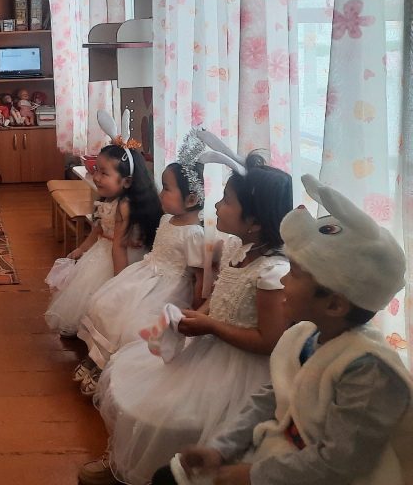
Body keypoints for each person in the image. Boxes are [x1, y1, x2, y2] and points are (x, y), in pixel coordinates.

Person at [154, 174, 411, 485]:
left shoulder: (369, 372)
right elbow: (270, 398)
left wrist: (251, 475)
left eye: (296, 274)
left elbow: (340, 464)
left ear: (334, 304)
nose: (284, 280)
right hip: (281, 457)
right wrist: (220, 449)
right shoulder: (302, 336)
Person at [82, 147, 293, 485]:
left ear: (254, 221)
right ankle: (130, 460)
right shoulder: (239, 248)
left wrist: (211, 325)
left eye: (226, 201)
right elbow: (221, 293)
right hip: (212, 343)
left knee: (176, 412)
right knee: (145, 388)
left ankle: (166, 470)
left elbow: (269, 341)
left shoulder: (272, 272)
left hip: (238, 366)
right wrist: (198, 313)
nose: (217, 206)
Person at [74, 130, 208, 395]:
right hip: (145, 274)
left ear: (191, 199)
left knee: (130, 325)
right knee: (106, 305)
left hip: (168, 288)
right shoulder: (166, 219)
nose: (161, 193)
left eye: (167, 189)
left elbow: (199, 276)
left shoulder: (195, 235)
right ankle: (97, 358)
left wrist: (196, 307)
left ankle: (109, 367)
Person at [44, 114, 162, 339]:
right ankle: (88, 329)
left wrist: (119, 282)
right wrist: (82, 249)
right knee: (86, 295)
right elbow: (97, 230)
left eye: (104, 173)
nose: (96, 177)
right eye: (96, 170)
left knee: (107, 298)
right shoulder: (108, 200)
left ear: (126, 181)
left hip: (120, 260)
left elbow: (119, 247)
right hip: (101, 252)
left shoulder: (124, 206)